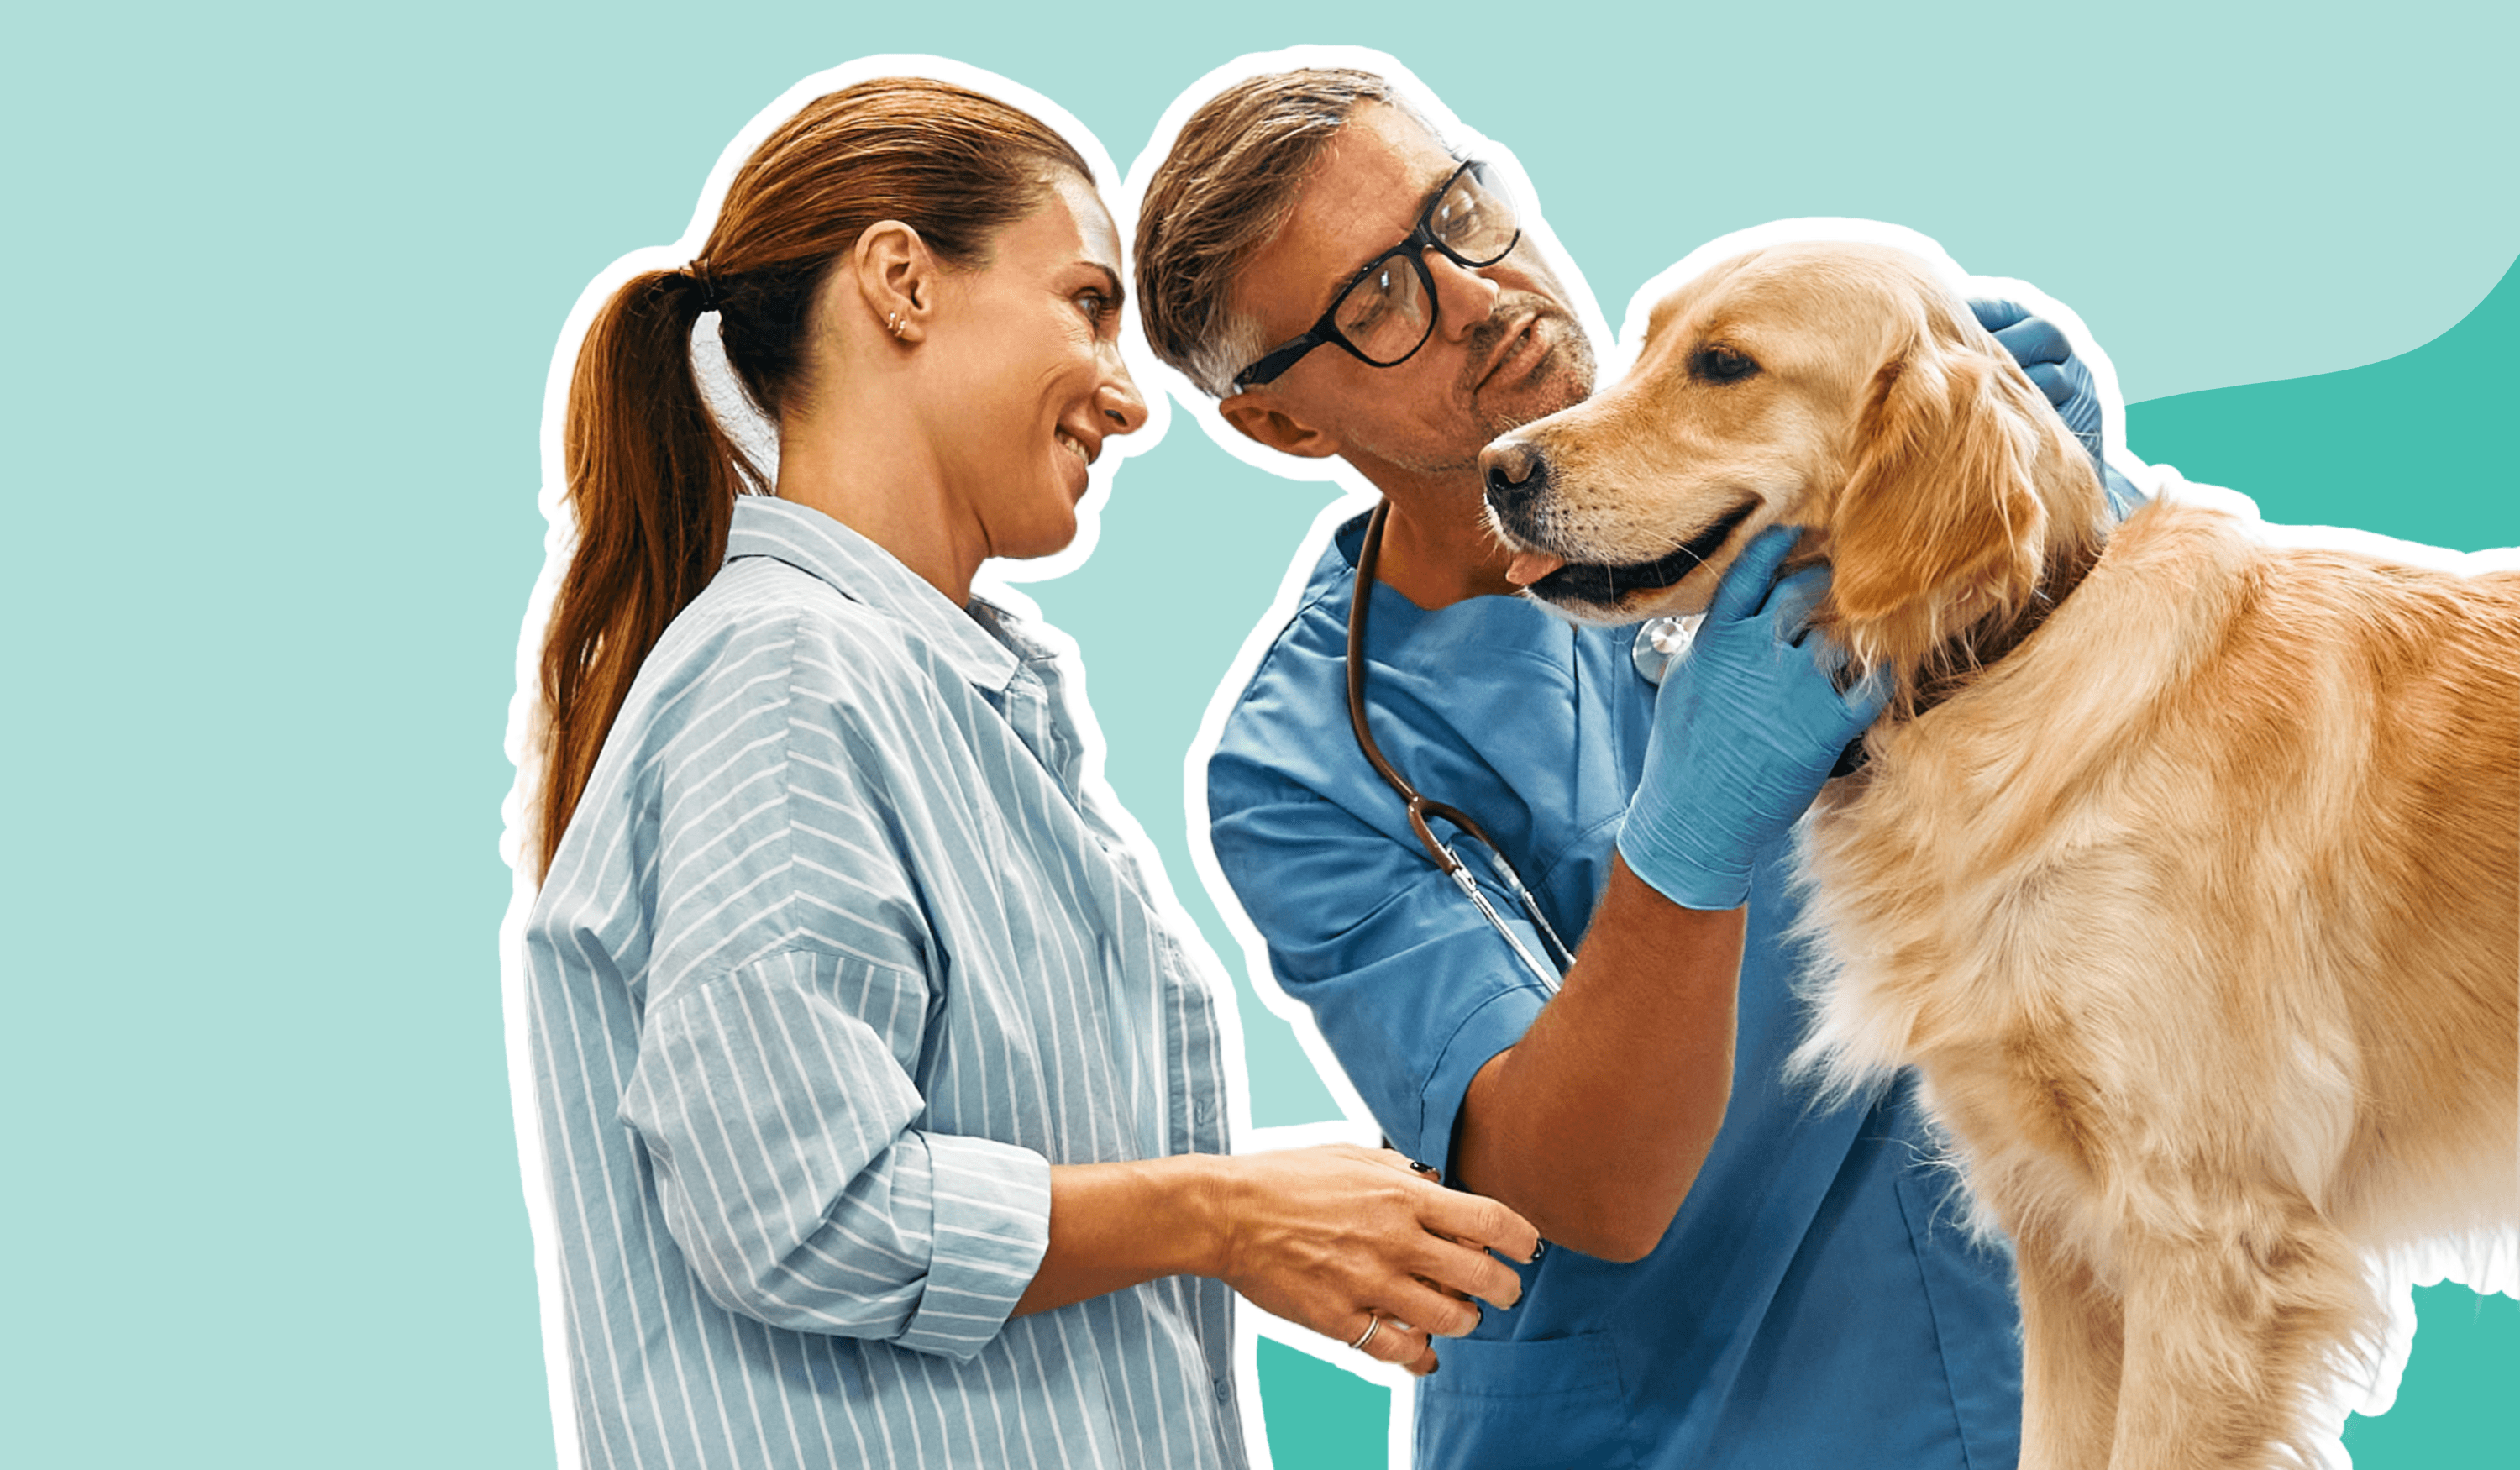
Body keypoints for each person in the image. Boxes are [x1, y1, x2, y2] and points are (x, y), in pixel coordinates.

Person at [517, 74, 1540, 1470]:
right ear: (901, 284)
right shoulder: (782, 675)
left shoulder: (940, 707)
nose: (1127, 399)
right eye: (1086, 304)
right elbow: (802, 1210)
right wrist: (1230, 1213)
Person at [1137, 66, 2142, 1468]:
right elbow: (1582, 1184)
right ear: (1283, 423)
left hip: (2042, 1401)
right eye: (1378, 301)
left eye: (1461, 210)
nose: (1477, 294)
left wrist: (2048, 534)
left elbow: (2173, 839)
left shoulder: (1824, 426)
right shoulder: (1315, 760)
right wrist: (1687, 833)